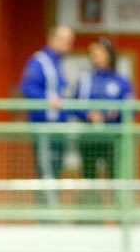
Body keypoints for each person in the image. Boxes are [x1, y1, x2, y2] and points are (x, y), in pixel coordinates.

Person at [69, 37, 133, 206]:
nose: (95, 56)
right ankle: (89, 219)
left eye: (99, 52)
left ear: (109, 54)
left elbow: (132, 108)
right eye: (92, 53)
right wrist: (88, 114)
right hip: (89, 137)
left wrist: (116, 113)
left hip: (113, 139)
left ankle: (121, 216)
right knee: (88, 178)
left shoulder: (121, 81)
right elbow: (73, 104)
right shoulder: (84, 79)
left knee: (116, 178)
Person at [19, 24, 74, 207]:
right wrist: (48, 99)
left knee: (56, 169)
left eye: (70, 41)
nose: (68, 45)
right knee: (46, 170)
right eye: (63, 40)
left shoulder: (59, 64)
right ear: (52, 39)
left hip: (59, 128)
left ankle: (50, 211)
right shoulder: (39, 61)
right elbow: (27, 88)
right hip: (44, 128)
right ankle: (49, 214)